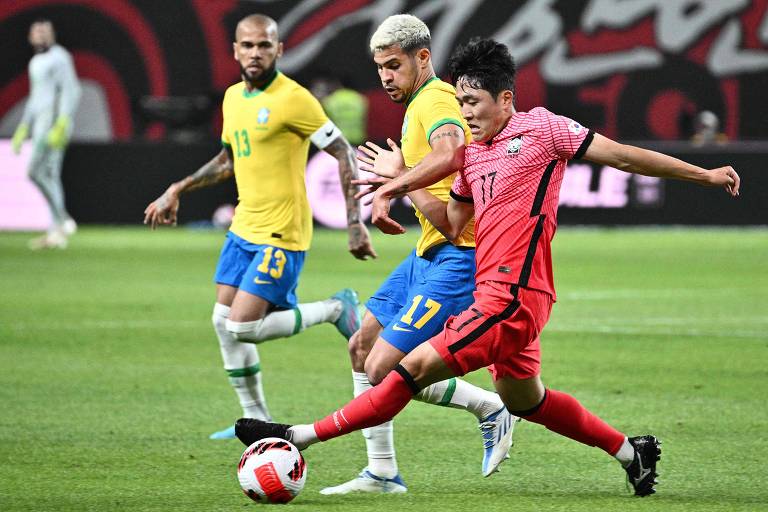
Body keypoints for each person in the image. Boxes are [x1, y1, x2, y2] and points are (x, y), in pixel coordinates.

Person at [234, 37, 741, 497]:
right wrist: (406, 181)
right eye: (459, 102)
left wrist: (706, 173)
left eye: (473, 102)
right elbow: (454, 227)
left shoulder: (543, 129)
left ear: (505, 98)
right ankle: (633, 454)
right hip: (493, 294)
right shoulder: (472, 157)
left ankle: (295, 436)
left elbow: (625, 157)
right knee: (524, 399)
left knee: (407, 369)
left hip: (514, 296)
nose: (465, 114)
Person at [143, 14, 376, 440]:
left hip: (282, 233)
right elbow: (230, 158)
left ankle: (335, 309)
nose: (255, 53)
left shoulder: (295, 99)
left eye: (263, 46)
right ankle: (256, 419)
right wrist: (178, 187)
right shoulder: (233, 98)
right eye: (247, 46)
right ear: (235, 50)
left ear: (278, 50)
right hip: (243, 227)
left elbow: (344, 152)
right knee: (221, 320)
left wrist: (355, 222)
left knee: (243, 327)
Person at [313, 15, 515, 496]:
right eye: (380, 66)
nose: (385, 76)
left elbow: (450, 155)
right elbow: (430, 182)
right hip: (428, 250)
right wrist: (394, 187)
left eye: (394, 64)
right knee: (361, 347)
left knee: (384, 367)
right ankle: (381, 473)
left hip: (459, 256)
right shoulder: (418, 104)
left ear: (423, 57)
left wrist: (395, 182)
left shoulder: (439, 101)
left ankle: (490, 407)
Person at [11, 19, 81, 250]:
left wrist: (62, 122)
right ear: (31, 36)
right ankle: (57, 228)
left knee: (41, 171)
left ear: (51, 34)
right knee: (45, 175)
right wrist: (23, 126)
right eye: (36, 31)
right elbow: (35, 98)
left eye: (44, 31)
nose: (40, 35)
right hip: (40, 125)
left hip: (54, 126)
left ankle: (61, 221)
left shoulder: (60, 57)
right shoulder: (36, 61)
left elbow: (70, 89)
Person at [310, 73, 368, 146]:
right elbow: (364, 119)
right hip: (358, 138)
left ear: (338, 84)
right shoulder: (359, 98)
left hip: (339, 139)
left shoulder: (330, 100)